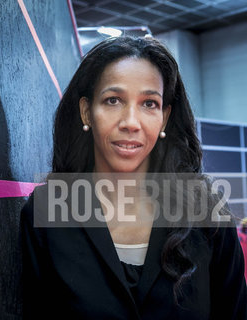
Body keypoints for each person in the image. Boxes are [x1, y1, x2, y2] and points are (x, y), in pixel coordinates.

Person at [20, 36, 247, 319]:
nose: (130, 122)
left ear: (164, 118)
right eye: (113, 100)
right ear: (86, 111)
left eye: (149, 104)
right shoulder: (46, 210)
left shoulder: (207, 210)